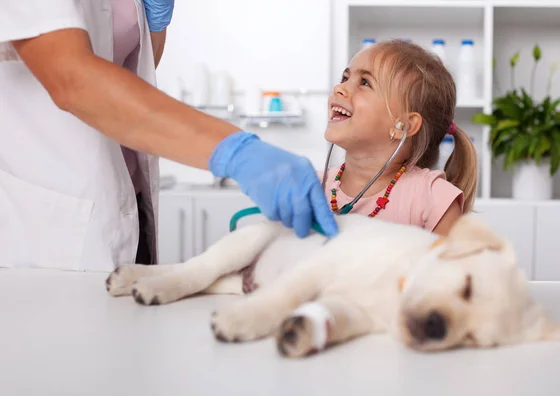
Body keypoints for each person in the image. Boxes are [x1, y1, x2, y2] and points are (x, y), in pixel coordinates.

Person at [0, 0, 337, 271]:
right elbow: (71, 79)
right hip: (53, 225)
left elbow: (134, 74)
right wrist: (234, 151)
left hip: (126, 202)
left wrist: (156, 25)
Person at [320, 39, 478, 236]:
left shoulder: (433, 201)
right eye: (345, 78)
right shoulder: (311, 187)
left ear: (403, 125)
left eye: (365, 83)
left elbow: (451, 267)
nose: (339, 88)